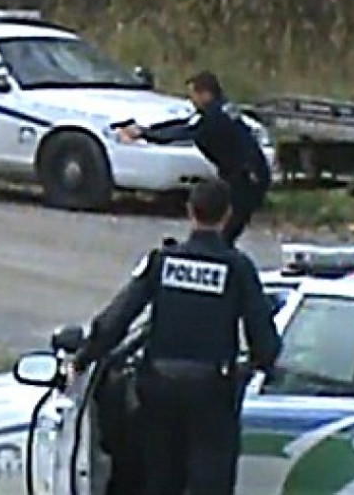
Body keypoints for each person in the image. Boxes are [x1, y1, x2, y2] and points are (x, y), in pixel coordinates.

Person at [72, 179, 282, 495]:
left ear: (189, 211)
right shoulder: (237, 268)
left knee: (160, 479)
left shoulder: (163, 262)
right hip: (211, 393)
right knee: (209, 481)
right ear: (227, 215)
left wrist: (83, 356)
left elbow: (118, 318)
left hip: (159, 388)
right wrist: (256, 367)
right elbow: (263, 339)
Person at [111, 70, 271, 247]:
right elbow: (184, 123)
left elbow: (184, 132)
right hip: (246, 173)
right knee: (223, 233)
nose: (191, 100)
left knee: (223, 232)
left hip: (247, 177)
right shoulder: (220, 108)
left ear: (206, 94)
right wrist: (144, 129)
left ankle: (215, 261)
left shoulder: (215, 118)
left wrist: (144, 134)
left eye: (193, 95)